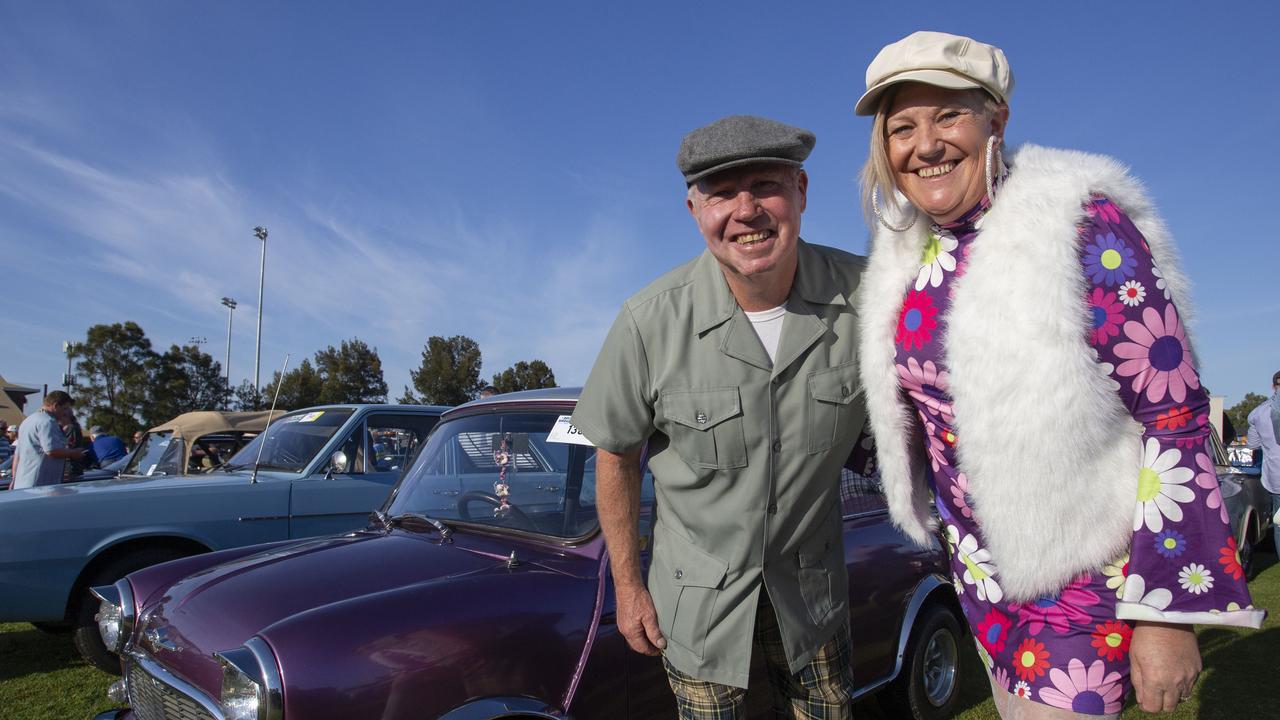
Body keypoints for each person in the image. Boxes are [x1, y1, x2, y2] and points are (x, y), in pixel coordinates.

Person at [853, 31, 1263, 719]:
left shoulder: (1078, 222)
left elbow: (1173, 410)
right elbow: (920, 419)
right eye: (902, 127)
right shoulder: (905, 255)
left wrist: (1164, 611)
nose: (925, 144)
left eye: (948, 115)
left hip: (1084, 580)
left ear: (996, 119)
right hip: (983, 582)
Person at [573, 116, 867, 718]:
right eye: (721, 194)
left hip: (813, 601)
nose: (746, 210)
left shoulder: (870, 297)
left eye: (765, 185)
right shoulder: (648, 322)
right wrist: (628, 587)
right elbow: (616, 454)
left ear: (802, 191)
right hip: (699, 610)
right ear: (693, 209)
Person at [11, 391, 85, 490]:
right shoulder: (48, 422)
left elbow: (17, 454)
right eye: (65, 408)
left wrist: (14, 478)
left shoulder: (28, 421)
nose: (66, 412)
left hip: (23, 483)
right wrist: (73, 453)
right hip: (40, 484)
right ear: (56, 406)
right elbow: (51, 450)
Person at [1246, 371, 1280, 555]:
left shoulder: (1259, 413)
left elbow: (1253, 445)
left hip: (1276, 475)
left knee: (1279, 522)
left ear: (1273, 385)